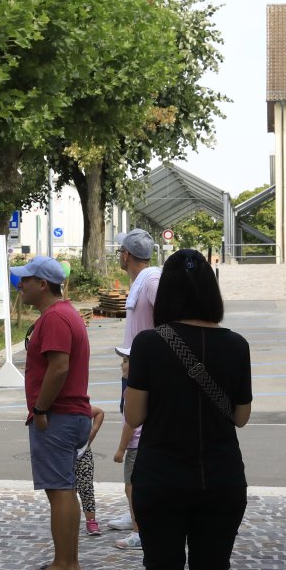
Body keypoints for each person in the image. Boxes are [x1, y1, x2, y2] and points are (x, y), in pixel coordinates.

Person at [124, 248, 252, 570]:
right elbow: (241, 416)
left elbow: (135, 414)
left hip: (160, 477)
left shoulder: (150, 345)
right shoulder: (235, 345)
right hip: (220, 477)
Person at [11, 255, 93, 570]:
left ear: (42, 284)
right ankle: (69, 562)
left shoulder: (56, 317)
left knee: (59, 492)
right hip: (69, 415)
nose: (20, 285)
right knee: (65, 490)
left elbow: (59, 368)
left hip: (58, 416)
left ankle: (63, 566)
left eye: (26, 280)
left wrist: (41, 409)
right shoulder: (64, 313)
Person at [110, 229, 161, 549]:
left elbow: (169, 324)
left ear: (127, 255)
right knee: (131, 423)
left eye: (120, 251)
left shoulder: (152, 281)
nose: (119, 255)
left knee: (138, 439)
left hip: (143, 372)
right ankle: (135, 513)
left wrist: (147, 362)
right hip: (135, 366)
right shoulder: (142, 282)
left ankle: (142, 521)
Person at [76, 405, 107, 536]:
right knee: (65, 490)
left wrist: (91, 435)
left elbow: (99, 412)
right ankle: (68, 519)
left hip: (83, 453)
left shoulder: (80, 406)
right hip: (62, 454)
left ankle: (91, 520)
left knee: (86, 488)